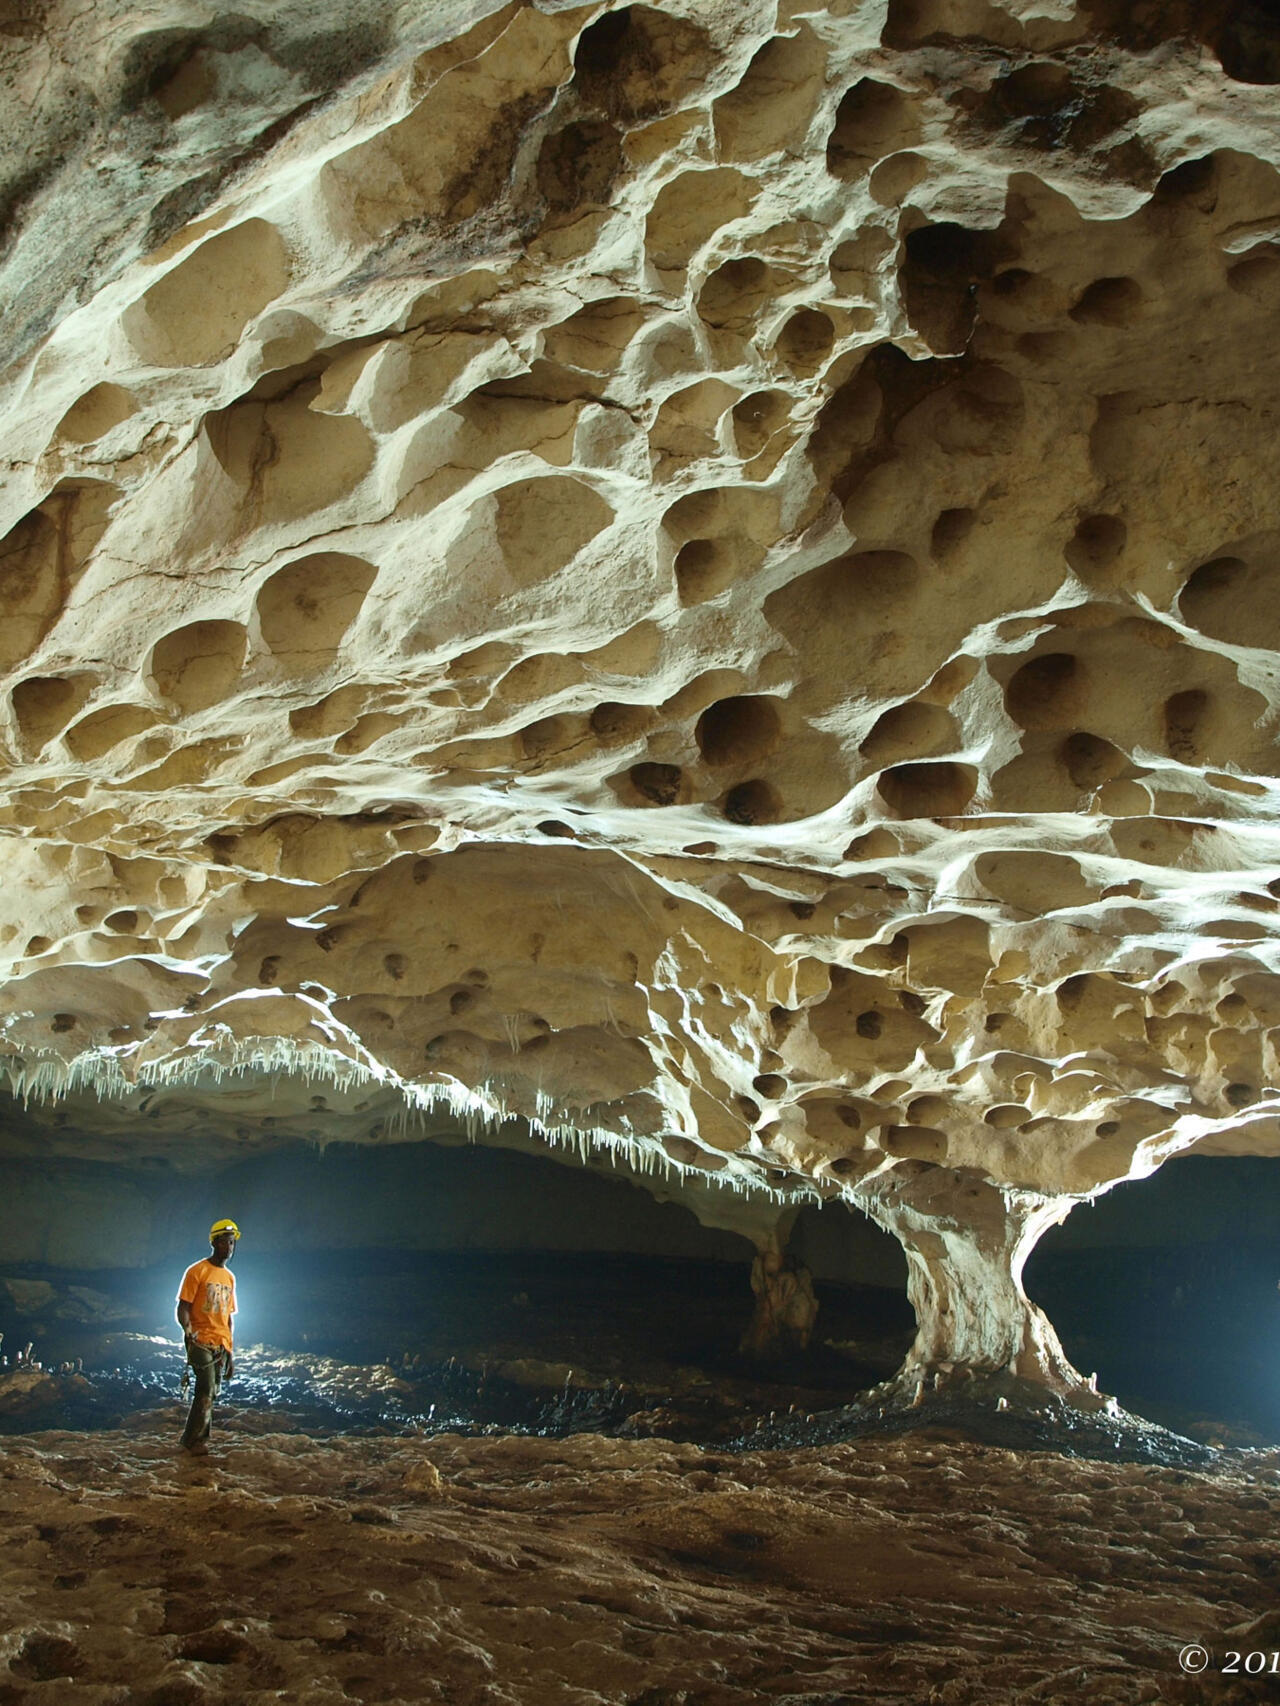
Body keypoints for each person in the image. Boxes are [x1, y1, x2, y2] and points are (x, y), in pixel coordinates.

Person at [176, 1219, 239, 1455]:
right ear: (213, 1243)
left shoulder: (229, 1278)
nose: (228, 1247)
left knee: (212, 1391)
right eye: (224, 1242)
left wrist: (230, 1352)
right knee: (205, 1388)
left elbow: (228, 1318)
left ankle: (195, 1438)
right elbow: (183, 1307)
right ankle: (193, 1441)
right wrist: (187, 1330)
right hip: (199, 1340)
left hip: (220, 1343)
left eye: (231, 1243)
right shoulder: (197, 1271)